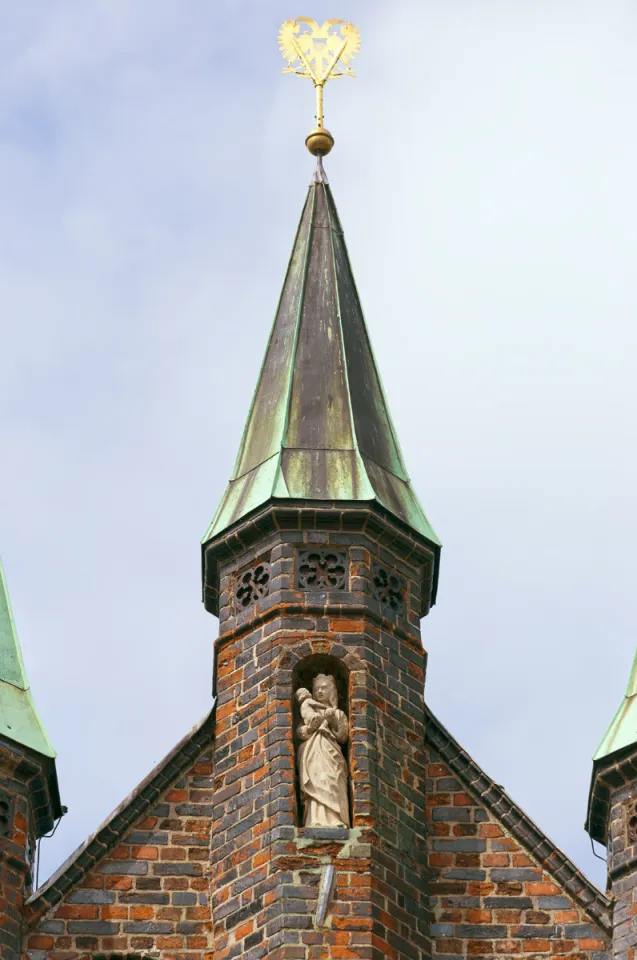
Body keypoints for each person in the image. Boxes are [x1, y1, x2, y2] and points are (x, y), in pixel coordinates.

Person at [295, 674, 350, 828]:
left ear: (331, 691)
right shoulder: (309, 709)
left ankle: (335, 819)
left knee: (332, 779)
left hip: (330, 749)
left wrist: (333, 721)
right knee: (315, 780)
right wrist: (311, 727)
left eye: (324, 688)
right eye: (317, 689)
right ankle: (314, 819)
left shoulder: (338, 713)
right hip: (312, 750)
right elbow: (300, 732)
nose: (319, 691)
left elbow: (343, 737)